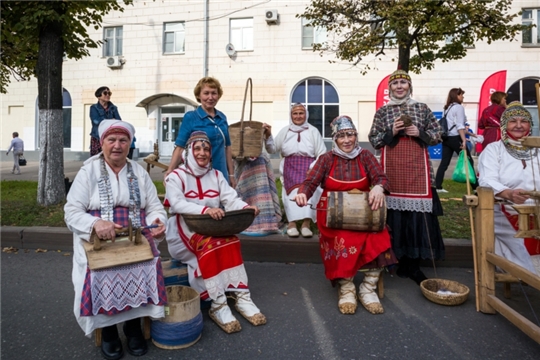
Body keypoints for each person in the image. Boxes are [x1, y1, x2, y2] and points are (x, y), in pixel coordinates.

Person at [65, 120, 167, 360]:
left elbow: (154, 206)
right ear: (102, 143)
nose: (117, 146)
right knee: (101, 274)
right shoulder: (88, 171)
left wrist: (158, 222)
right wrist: (96, 223)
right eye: (112, 140)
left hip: (135, 237)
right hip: (98, 241)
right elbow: (71, 212)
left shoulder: (139, 171)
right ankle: (109, 331)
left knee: (145, 265)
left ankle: (133, 329)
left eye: (123, 141)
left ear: (130, 144)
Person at [165, 131, 266, 334]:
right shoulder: (175, 176)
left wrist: (247, 207)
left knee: (232, 241)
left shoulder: (216, 175)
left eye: (206, 149)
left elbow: (231, 199)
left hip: (212, 227)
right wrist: (205, 210)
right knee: (210, 246)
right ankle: (218, 305)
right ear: (189, 152)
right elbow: (176, 204)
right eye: (198, 148)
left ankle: (242, 296)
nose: (202, 153)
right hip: (183, 231)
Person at [294, 116, 396, 315]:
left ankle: (368, 288)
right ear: (335, 139)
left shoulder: (365, 156)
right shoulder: (326, 159)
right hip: (334, 216)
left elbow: (381, 177)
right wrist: (302, 193)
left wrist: (378, 187)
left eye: (350, 134)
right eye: (341, 136)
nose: (347, 140)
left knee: (380, 236)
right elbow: (310, 182)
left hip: (363, 214)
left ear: (356, 136)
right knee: (341, 240)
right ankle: (347, 288)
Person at [369, 69, 445, 285]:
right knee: (395, 218)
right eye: (395, 84)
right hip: (391, 169)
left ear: (409, 86)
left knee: (417, 219)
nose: (399, 86)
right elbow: (374, 139)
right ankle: (394, 260)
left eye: (403, 82)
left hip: (417, 172)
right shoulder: (383, 112)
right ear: (390, 88)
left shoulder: (422, 108)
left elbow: (438, 134)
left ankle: (413, 265)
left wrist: (419, 133)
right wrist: (390, 132)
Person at [478, 102, 540, 275]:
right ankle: (529, 273)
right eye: (513, 121)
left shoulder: (538, 149)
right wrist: (508, 193)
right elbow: (487, 180)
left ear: (530, 124)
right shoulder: (494, 149)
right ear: (504, 125)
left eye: (524, 121)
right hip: (505, 206)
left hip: (537, 207)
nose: (519, 125)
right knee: (512, 230)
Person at [165, 77, 236, 187]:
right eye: (206, 93)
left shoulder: (222, 118)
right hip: (200, 175)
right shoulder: (191, 117)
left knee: (223, 202)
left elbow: (227, 148)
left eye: (214, 93)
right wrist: (170, 171)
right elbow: (180, 147)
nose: (210, 97)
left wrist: (231, 175)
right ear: (199, 95)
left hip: (221, 174)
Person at [274, 103, 327, 238]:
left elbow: (321, 153)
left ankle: (306, 224)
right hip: (290, 166)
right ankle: (292, 223)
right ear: (291, 115)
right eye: (295, 113)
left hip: (309, 167)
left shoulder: (313, 131)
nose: (298, 116)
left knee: (309, 193)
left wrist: (313, 168)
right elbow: (273, 148)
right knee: (290, 193)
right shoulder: (285, 131)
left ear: (306, 115)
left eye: (301, 113)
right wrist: (267, 135)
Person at [234, 123, 282, 236]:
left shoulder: (263, 156)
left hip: (262, 192)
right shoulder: (238, 156)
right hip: (245, 190)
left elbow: (269, 179)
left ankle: (265, 223)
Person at [434, 87, 477, 192]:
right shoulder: (458, 107)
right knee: (468, 161)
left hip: (446, 138)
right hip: (455, 138)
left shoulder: (447, 108)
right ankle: (476, 187)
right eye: (461, 95)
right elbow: (459, 126)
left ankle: (437, 186)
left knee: (444, 163)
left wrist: (471, 134)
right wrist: (463, 140)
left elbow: (452, 125)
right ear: (456, 96)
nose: (463, 97)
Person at [89, 86, 122, 156]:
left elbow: (119, 121)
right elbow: (96, 121)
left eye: (109, 93)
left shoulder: (114, 108)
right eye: (105, 93)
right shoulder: (93, 108)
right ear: (98, 96)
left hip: (110, 137)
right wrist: (111, 121)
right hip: (97, 137)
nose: (108, 95)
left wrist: (108, 122)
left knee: (109, 158)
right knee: (96, 160)